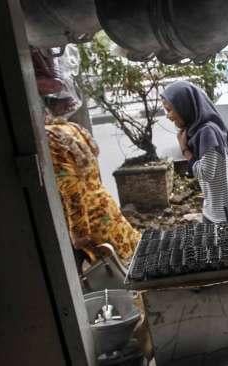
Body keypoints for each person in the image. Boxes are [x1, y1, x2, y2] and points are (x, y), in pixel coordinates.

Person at [31, 47, 140, 265]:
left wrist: (78, 235)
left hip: (90, 221)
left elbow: (71, 188)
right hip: (104, 207)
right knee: (130, 262)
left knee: (113, 276)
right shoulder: (72, 128)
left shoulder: (50, 138)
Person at [162, 81, 228, 223]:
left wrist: (184, 149)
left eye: (169, 110)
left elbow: (206, 173)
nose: (168, 116)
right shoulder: (196, 131)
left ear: (184, 106)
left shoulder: (207, 132)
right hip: (213, 211)